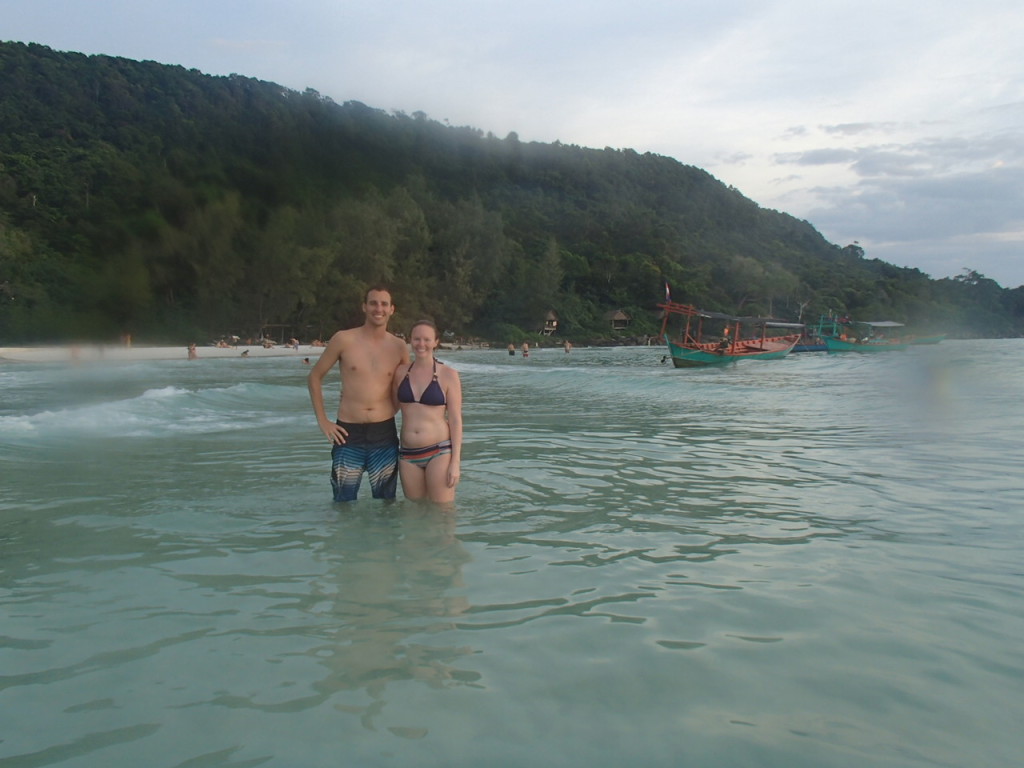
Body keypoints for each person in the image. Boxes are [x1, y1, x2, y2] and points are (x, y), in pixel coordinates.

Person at [308, 286, 410, 502]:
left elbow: (410, 385)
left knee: (385, 504)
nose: (378, 308)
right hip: (347, 433)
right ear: (364, 307)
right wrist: (323, 421)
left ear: (392, 309)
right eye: (373, 303)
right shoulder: (344, 339)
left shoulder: (399, 346)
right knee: (343, 503)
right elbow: (315, 376)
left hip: (384, 433)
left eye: (384, 304)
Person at [392, 319, 463, 504]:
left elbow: (455, 420)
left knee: (443, 513)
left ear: (435, 342)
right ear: (410, 340)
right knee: (414, 513)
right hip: (408, 454)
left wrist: (455, 462)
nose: (421, 344)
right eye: (416, 339)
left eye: (426, 339)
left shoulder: (448, 374)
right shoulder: (400, 373)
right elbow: (390, 407)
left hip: (439, 452)